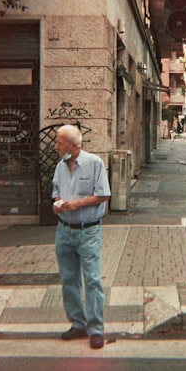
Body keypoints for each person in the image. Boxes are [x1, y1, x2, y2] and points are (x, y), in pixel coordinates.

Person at [51, 124, 111, 349]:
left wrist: (77, 203)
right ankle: (78, 323)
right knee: (69, 279)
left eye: (59, 142)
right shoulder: (59, 167)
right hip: (64, 229)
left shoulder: (94, 163)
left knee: (92, 280)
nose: (56, 146)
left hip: (88, 231)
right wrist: (57, 204)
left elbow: (103, 194)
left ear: (73, 145)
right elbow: (56, 190)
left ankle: (96, 328)